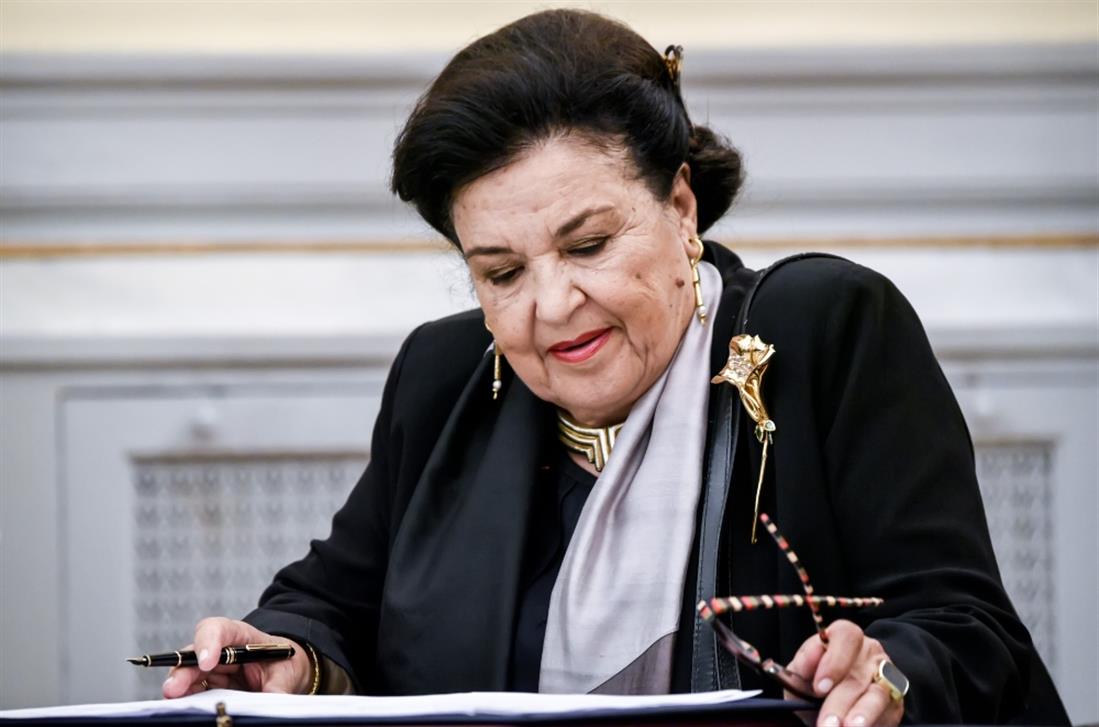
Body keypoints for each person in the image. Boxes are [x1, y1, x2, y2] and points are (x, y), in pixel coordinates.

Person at [161, 9, 1068, 725]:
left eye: (588, 244)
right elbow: (330, 601)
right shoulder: (444, 376)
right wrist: (288, 654)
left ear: (680, 206)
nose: (551, 304)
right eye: (501, 273)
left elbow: (965, 629)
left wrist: (886, 670)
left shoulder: (822, 328)